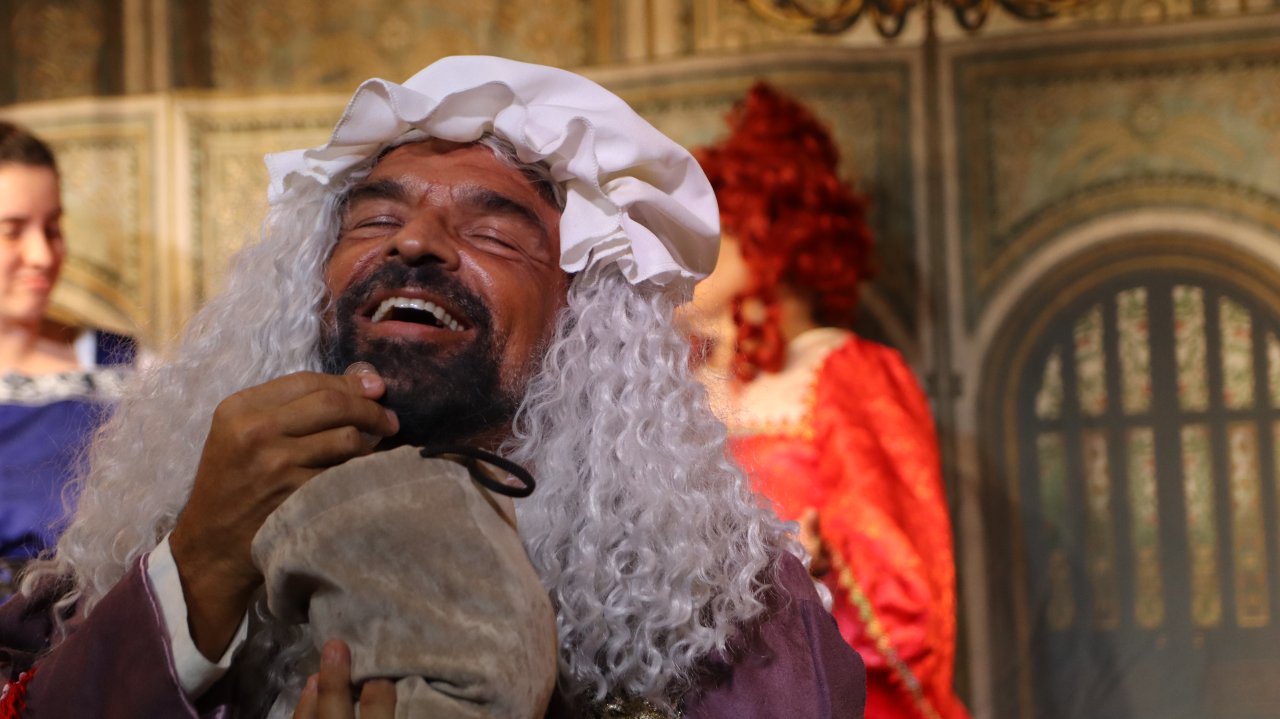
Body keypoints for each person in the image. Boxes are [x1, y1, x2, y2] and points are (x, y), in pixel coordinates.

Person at [0, 57, 864, 718]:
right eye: (377, 216)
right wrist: (200, 558)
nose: (413, 241)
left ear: (583, 312)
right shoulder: (159, 538)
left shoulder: (727, 605)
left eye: (493, 231)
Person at [685, 83, 969, 719]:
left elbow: (899, 587)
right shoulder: (686, 387)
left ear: (770, 238)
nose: (694, 250)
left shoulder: (845, 371)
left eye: (718, 227)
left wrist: (808, 570)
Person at [0, 121, 134, 599]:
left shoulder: (126, 367)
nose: (42, 255)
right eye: (12, 231)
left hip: (95, 625)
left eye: (53, 228)